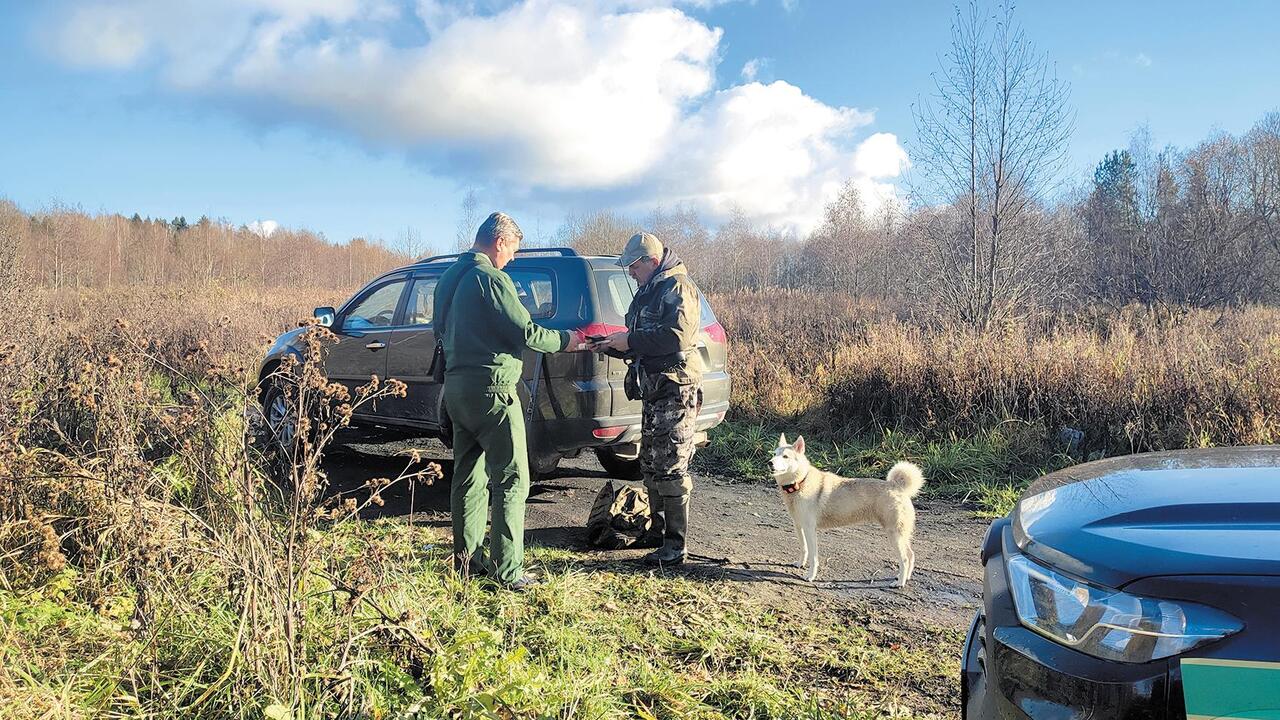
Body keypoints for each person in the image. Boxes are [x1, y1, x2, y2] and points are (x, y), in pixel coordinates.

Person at [433, 212, 586, 590]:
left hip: (457, 390)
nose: (514, 257)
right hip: (494, 392)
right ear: (499, 241)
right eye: (514, 248)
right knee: (513, 479)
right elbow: (527, 331)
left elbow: (440, 329)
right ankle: (508, 570)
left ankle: (466, 562)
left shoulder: (448, 278)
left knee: (467, 478)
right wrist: (569, 340)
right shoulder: (491, 279)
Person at [590, 232, 704, 566]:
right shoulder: (648, 290)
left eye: (634, 266)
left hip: (675, 387)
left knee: (671, 464)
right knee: (651, 462)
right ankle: (657, 533)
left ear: (651, 262)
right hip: (654, 388)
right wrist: (610, 344)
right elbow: (638, 338)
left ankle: (675, 545)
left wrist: (631, 340)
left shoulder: (677, 288)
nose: (630, 272)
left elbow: (675, 336)